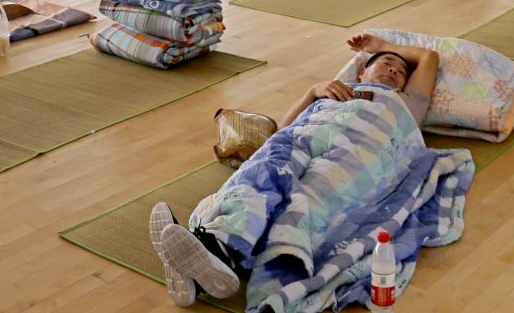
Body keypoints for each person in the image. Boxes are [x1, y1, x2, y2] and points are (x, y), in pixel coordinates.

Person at [149, 33, 443, 307]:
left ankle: (216, 254)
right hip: (307, 134)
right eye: (386, 62)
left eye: (401, 71)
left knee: (310, 194)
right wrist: (312, 92)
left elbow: (428, 57)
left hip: (357, 151)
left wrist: (379, 47)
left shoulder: (406, 103)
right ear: (362, 72)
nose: (394, 70)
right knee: (265, 169)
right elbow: (283, 129)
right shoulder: (336, 89)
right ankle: (216, 246)